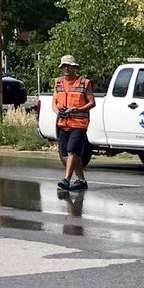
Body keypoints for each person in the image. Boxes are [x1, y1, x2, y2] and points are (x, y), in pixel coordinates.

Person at [53, 55, 96, 190]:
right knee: (69, 154)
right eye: (64, 66)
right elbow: (54, 103)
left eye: (69, 66)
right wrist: (58, 111)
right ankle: (81, 180)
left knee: (72, 150)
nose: (66, 69)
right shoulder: (58, 83)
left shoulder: (84, 83)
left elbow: (92, 103)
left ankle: (66, 180)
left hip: (79, 124)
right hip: (63, 123)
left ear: (74, 67)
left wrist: (78, 109)